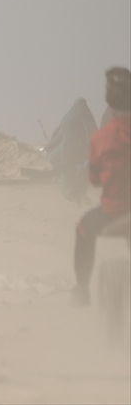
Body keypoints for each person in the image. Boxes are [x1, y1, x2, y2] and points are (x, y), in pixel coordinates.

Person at [71, 67, 131, 307]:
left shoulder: (101, 137)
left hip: (114, 210)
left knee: (83, 228)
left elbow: (94, 179)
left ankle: (82, 289)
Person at [46, 98, 99, 204]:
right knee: (83, 172)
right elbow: (93, 134)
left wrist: (51, 145)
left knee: (67, 172)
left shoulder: (67, 119)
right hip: (82, 153)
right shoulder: (88, 118)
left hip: (66, 153)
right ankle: (81, 193)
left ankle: (73, 195)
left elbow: (58, 135)